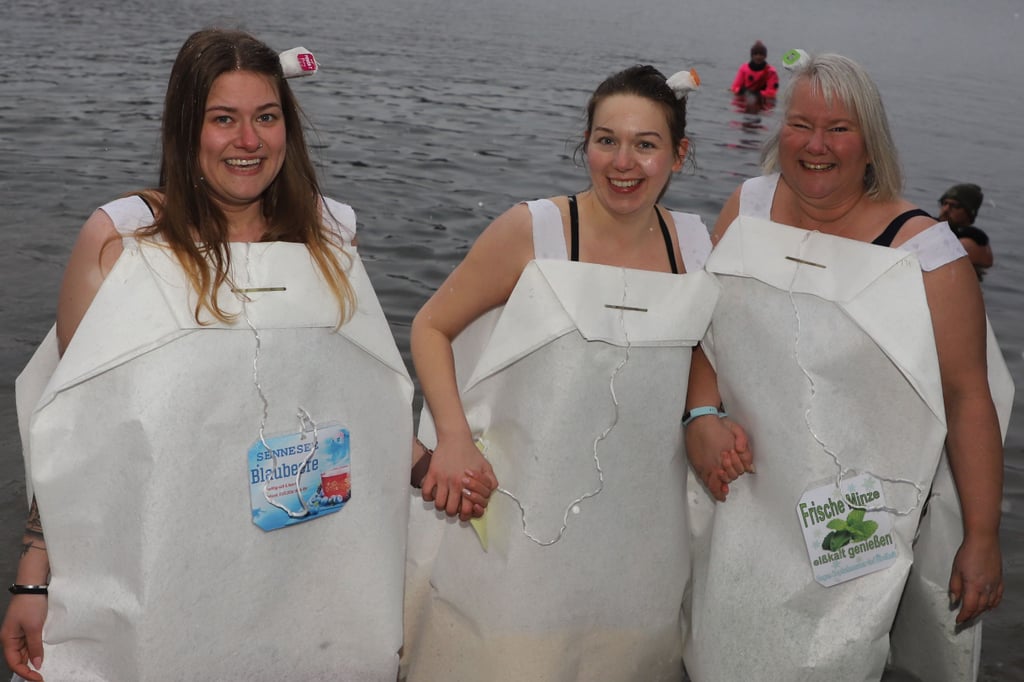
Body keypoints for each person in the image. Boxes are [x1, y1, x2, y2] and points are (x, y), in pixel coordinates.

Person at [0, 28, 489, 681]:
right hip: (163, 561)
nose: (249, 141)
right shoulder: (119, 242)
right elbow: (72, 434)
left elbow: (354, 405)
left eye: (266, 117)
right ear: (185, 128)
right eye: (223, 119)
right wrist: (34, 579)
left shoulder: (331, 236)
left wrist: (438, 464)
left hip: (301, 561)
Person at [403, 65, 746, 681]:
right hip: (520, 517)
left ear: (679, 154)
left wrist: (703, 414)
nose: (624, 162)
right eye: (606, 139)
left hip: (639, 526)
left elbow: (697, 344)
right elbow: (430, 326)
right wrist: (451, 440)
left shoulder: (694, 246)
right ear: (584, 143)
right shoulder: (533, 230)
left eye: (646, 145)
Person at [683, 52, 1007, 681]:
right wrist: (701, 414)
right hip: (737, 494)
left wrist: (983, 535)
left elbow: (970, 397)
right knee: (712, 653)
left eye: (839, 128)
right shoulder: (746, 210)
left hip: (854, 526)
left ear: (871, 144)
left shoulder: (927, 256)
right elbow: (700, 331)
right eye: (801, 124)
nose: (816, 145)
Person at [938, 182, 993, 280]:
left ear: (969, 212)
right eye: (944, 203)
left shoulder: (969, 242)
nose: (946, 209)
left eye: (955, 206)